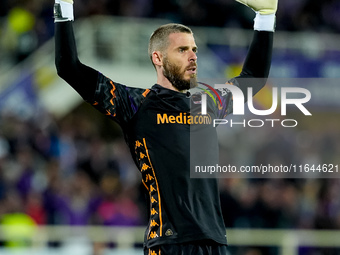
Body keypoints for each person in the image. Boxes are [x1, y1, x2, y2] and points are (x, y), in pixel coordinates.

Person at [54, 0, 277, 254]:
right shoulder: (135, 103)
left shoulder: (208, 102)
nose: (193, 56)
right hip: (168, 244)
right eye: (182, 50)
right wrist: (64, 4)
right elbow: (68, 66)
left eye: (194, 49)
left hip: (214, 243)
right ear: (158, 58)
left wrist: (266, 16)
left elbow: (252, 79)